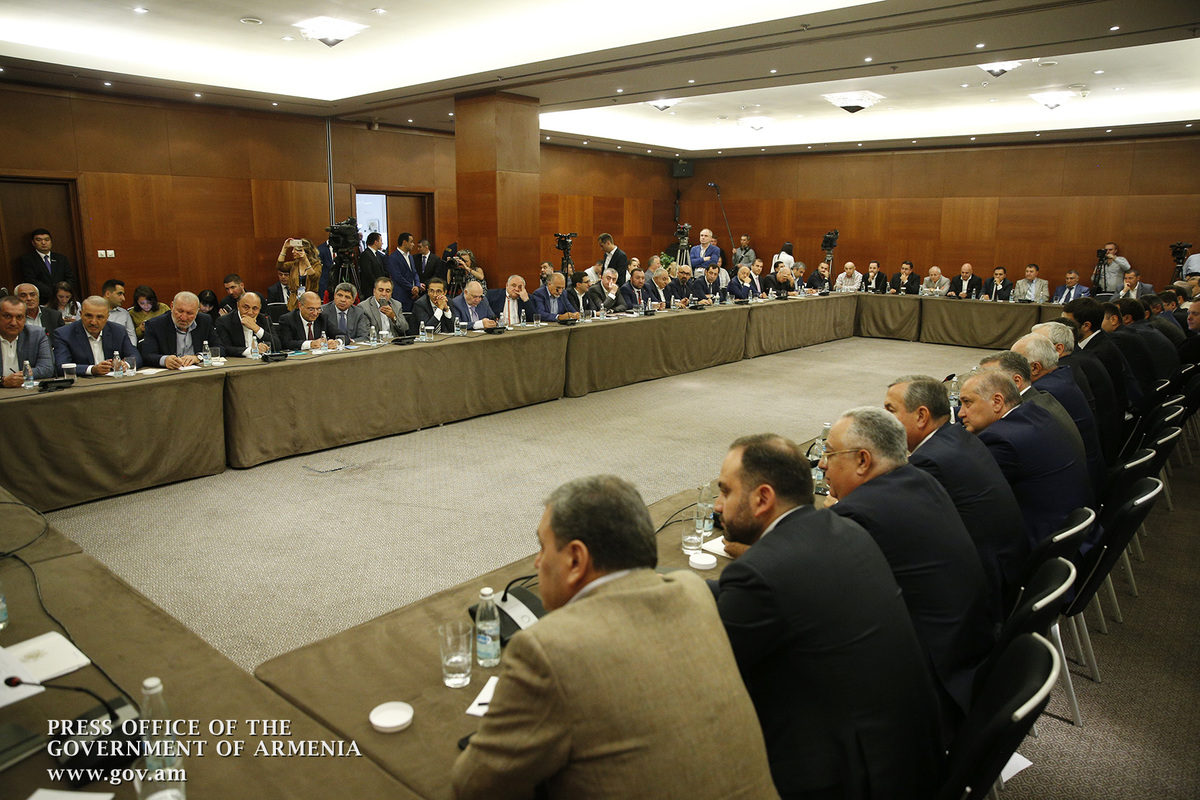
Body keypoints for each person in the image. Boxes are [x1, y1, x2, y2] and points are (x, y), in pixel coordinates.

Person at [452, 475, 779, 800]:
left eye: (542, 547)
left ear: (576, 560)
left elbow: (474, 786)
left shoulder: (546, 648)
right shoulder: (691, 590)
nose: (538, 563)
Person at [712, 433, 943, 798]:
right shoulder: (844, 529)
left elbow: (710, 673)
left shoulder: (762, 573)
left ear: (763, 499)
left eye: (725, 491)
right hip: (906, 756)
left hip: (849, 781)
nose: (717, 505)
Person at [821, 407, 996, 731]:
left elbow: (812, 588)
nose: (821, 464)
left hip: (924, 689)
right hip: (964, 659)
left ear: (863, 460)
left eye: (829, 454)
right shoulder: (920, 480)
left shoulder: (861, 513)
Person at [884, 376, 1029, 614]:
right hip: (1006, 567)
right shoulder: (957, 437)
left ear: (921, 416)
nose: (883, 420)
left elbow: (901, 529)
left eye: (890, 410)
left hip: (982, 593)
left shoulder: (929, 460)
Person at [957, 369, 1091, 548]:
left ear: (997, 402)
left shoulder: (1001, 440)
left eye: (967, 403)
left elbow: (967, 495)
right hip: (1070, 529)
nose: (961, 413)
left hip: (1039, 543)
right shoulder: (1035, 413)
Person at [1010, 334, 1106, 496]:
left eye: (1013, 364)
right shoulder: (1059, 375)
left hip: (1076, 487)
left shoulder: (1044, 392)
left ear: (1035, 368)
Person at [1033, 320, 1123, 464]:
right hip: (1098, 450)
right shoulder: (1075, 363)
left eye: (1037, 344)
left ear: (1058, 349)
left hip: (1088, 459)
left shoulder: (1058, 377)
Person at [1063, 296, 1139, 412]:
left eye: (1067, 325)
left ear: (1086, 326)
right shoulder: (1100, 340)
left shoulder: (1099, 353)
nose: (1062, 329)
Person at [52, 296, 141, 376]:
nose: (93, 322)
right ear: (81, 314)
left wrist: (125, 365)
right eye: (89, 316)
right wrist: (92, 369)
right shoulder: (64, 334)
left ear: (107, 317)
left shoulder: (118, 331)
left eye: (99, 317)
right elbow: (61, 366)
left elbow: (135, 356)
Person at [141, 291, 223, 368]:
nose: (184, 318)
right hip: (170, 373)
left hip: (198, 370)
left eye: (189, 313)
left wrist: (198, 357)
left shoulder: (205, 321)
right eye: (180, 311)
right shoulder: (155, 324)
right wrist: (165, 360)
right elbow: (147, 355)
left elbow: (220, 349)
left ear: (197, 311)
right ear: (172, 306)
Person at [0, 295, 54, 385]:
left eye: (19, 317)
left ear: (25, 319)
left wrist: (22, 375)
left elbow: (47, 368)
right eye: (7, 316)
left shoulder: (37, 335)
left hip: (25, 389)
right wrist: (2, 381)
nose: (13, 323)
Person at [17, 228, 76, 303]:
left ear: (51, 241)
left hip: (64, 298)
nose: (43, 243)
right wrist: (53, 293)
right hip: (43, 299)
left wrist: (64, 292)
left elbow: (70, 278)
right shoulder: (27, 259)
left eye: (46, 240)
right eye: (39, 240)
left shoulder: (61, 258)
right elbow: (31, 280)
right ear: (33, 242)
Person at [215, 291, 279, 357]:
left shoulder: (265, 319)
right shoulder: (224, 321)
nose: (250, 312)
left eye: (255, 308)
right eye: (246, 307)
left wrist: (256, 328)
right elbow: (225, 348)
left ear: (260, 308)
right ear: (238, 306)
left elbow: (277, 346)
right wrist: (252, 350)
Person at [386, 232, 423, 311]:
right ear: (404, 242)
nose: (413, 244)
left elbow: (414, 272)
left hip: (412, 296)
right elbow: (397, 277)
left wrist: (417, 286)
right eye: (411, 242)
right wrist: (411, 288)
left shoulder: (410, 256)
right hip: (401, 296)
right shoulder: (393, 257)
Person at [100, 279, 137, 346]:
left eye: (123, 294)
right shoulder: (92, 312)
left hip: (121, 350)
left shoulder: (124, 313)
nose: (123, 298)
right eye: (119, 294)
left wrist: (130, 350)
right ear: (108, 294)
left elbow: (131, 336)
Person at [358, 232, 389, 301]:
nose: (382, 243)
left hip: (379, 288)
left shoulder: (377, 254)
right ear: (376, 242)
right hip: (370, 289)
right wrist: (377, 285)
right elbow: (368, 273)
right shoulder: (366, 255)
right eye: (381, 241)